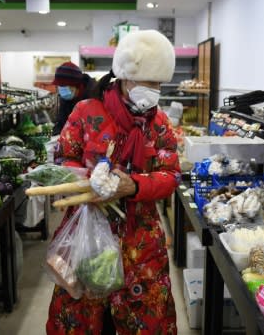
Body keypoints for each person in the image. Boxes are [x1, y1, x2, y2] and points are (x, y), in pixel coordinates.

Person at [47, 29, 181, 334]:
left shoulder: (158, 124)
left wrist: (133, 186)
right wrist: (87, 182)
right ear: (125, 77)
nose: (156, 91)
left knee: (144, 317)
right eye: (151, 83)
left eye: (160, 84)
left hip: (140, 238)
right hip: (86, 232)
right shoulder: (87, 111)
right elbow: (63, 157)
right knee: (85, 311)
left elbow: (171, 174)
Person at [51, 61, 95, 136]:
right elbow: (61, 122)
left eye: (63, 86)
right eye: (59, 86)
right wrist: (56, 134)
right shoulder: (65, 99)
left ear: (76, 85)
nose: (61, 89)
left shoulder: (93, 99)